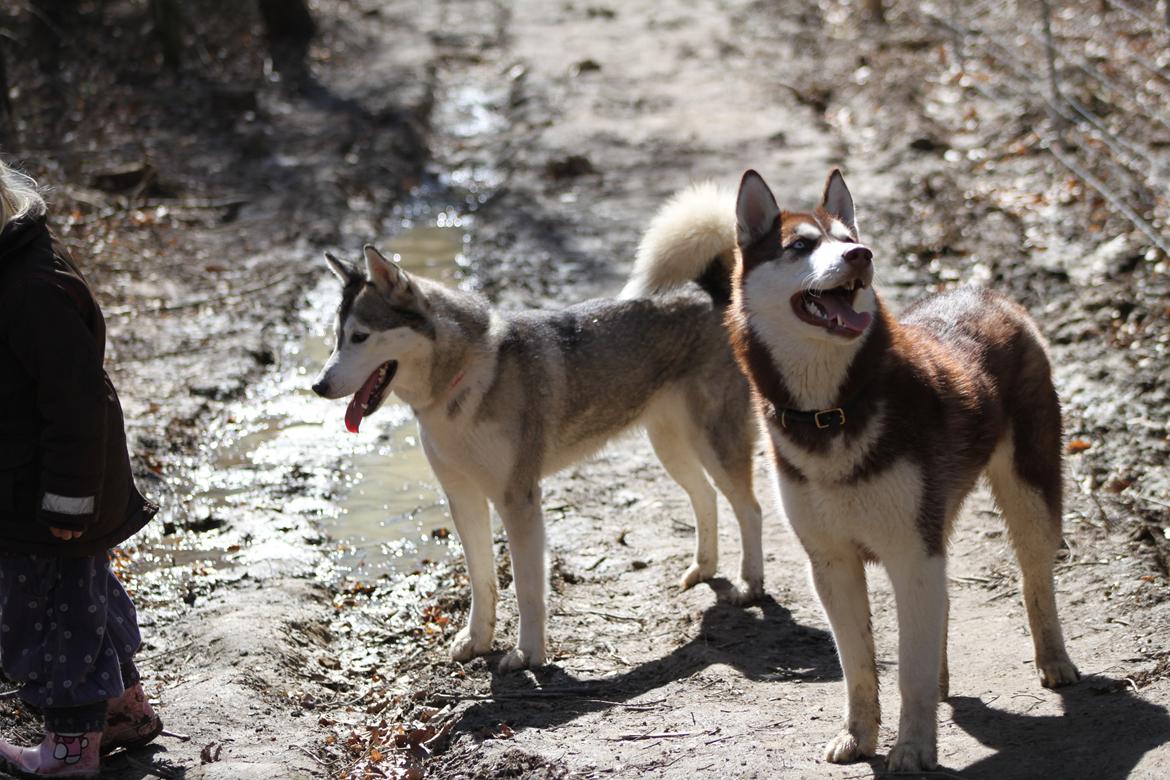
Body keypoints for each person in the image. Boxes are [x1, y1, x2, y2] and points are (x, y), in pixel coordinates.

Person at [0, 158, 161, 777]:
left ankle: (70, 752)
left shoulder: (31, 286)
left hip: (52, 495)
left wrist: (67, 499)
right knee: (85, 601)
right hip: (38, 483)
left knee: (49, 617)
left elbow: (76, 403)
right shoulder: (11, 267)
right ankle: (124, 712)